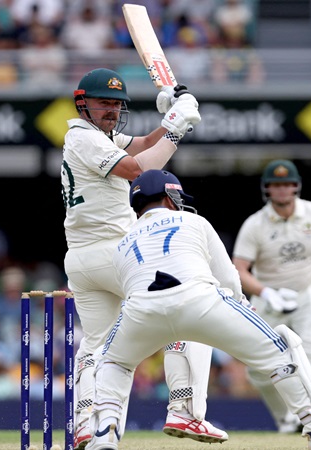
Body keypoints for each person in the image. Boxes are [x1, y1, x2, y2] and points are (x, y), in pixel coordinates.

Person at [83, 169, 311, 450]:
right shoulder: (194, 222)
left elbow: (132, 289)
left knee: (113, 363)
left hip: (140, 310)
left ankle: (104, 435)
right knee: (281, 351)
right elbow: (229, 277)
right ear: (171, 198)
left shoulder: (121, 244)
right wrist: (244, 310)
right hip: (199, 301)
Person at [60, 68, 227, 449]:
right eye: (104, 103)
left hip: (83, 261)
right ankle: (185, 411)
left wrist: (172, 117)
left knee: (97, 343)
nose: (113, 110)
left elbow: (146, 144)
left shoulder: (100, 136)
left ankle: (85, 423)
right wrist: (175, 127)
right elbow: (138, 169)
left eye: (117, 104)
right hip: (115, 252)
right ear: (82, 102)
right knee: (189, 308)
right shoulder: (83, 139)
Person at [231, 160, 311, 433]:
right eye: (276, 185)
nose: (282, 190)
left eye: (287, 184)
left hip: (308, 291)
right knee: (257, 367)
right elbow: (238, 270)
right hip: (269, 296)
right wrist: (266, 292)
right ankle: (286, 418)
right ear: (267, 189)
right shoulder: (254, 224)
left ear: (296, 186)